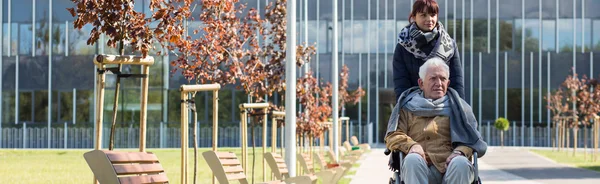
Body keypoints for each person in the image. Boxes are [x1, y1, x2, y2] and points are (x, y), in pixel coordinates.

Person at [385, 57, 487, 184]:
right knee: (412, 160)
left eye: (443, 79)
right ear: (421, 83)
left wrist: (460, 151)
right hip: (419, 167)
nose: (438, 83)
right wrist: (412, 145)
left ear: (448, 83)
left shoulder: (461, 109)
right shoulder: (406, 107)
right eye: (433, 78)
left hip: (450, 167)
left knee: (461, 163)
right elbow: (393, 135)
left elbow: (473, 139)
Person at [394, 0, 465, 101]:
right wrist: (409, 108)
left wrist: (458, 108)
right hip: (413, 107)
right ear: (414, 17)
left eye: (433, 15)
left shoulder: (449, 45)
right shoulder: (403, 45)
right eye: (423, 15)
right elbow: (401, 83)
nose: (429, 19)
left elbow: (457, 81)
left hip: (445, 106)